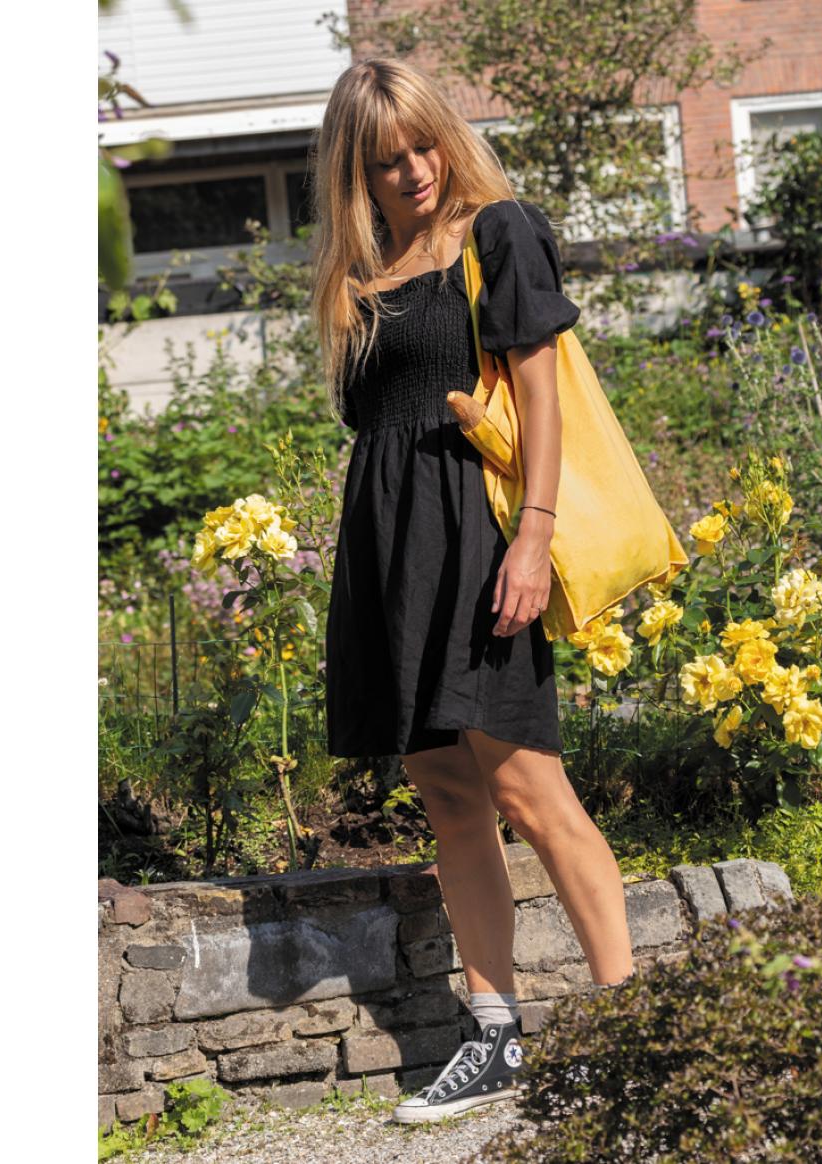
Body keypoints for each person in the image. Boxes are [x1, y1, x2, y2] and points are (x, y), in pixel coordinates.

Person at [309, 58, 634, 1123]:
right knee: (449, 797)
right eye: (384, 160)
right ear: (355, 173)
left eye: (423, 145)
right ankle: (495, 1040)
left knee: (532, 791)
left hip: (481, 538)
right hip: (390, 551)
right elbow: (376, 429)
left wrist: (534, 537)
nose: (413, 170)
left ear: (446, 136)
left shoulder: (498, 233)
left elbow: (541, 401)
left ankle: (633, 1027)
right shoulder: (360, 278)